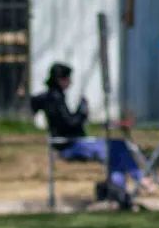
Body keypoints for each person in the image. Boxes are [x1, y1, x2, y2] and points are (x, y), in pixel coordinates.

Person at [30, 62, 145, 206]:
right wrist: (82, 111)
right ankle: (140, 179)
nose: (70, 82)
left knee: (117, 149)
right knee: (116, 148)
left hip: (73, 141)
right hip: (70, 144)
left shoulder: (51, 96)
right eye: (68, 78)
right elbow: (69, 123)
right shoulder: (55, 98)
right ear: (61, 79)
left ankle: (119, 191)